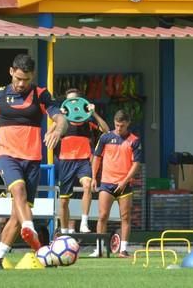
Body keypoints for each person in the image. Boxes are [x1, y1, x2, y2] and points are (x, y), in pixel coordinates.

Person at [0, 54, 67, 270]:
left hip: (32, 161)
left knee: (15, 213)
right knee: (18, 191)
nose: (22, 84)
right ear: (11, 71)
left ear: (32, 77)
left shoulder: (41, 95)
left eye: (27, 80)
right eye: (19, 78)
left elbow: (61, 119)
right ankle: (34, 237)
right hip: (7, 156)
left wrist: (58, 129)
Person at [57, 88, 109, 235]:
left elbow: (107, 131)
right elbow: (50, 135)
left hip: (83, 161)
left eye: (75, 101)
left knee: (87, 185)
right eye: (69, 101)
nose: (72, 105)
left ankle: (84, 223)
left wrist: (94, 113)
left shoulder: (88, 122)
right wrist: (61, 118)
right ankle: (64, 231)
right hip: (66, 161)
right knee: (64, 201)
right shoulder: (62, 122)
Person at [91, 110, 142, 258]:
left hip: (124, 184)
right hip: (106, 182)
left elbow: (136, 164)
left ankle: (123, 250)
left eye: (122, 126)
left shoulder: (134, 141)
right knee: (102, 216)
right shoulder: (105, 137)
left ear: (128, 124)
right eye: (117, 125)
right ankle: (99, 249)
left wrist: (125, 180)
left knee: (125, 217)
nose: (119, 128)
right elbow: (97, 157)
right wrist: (94, 177)